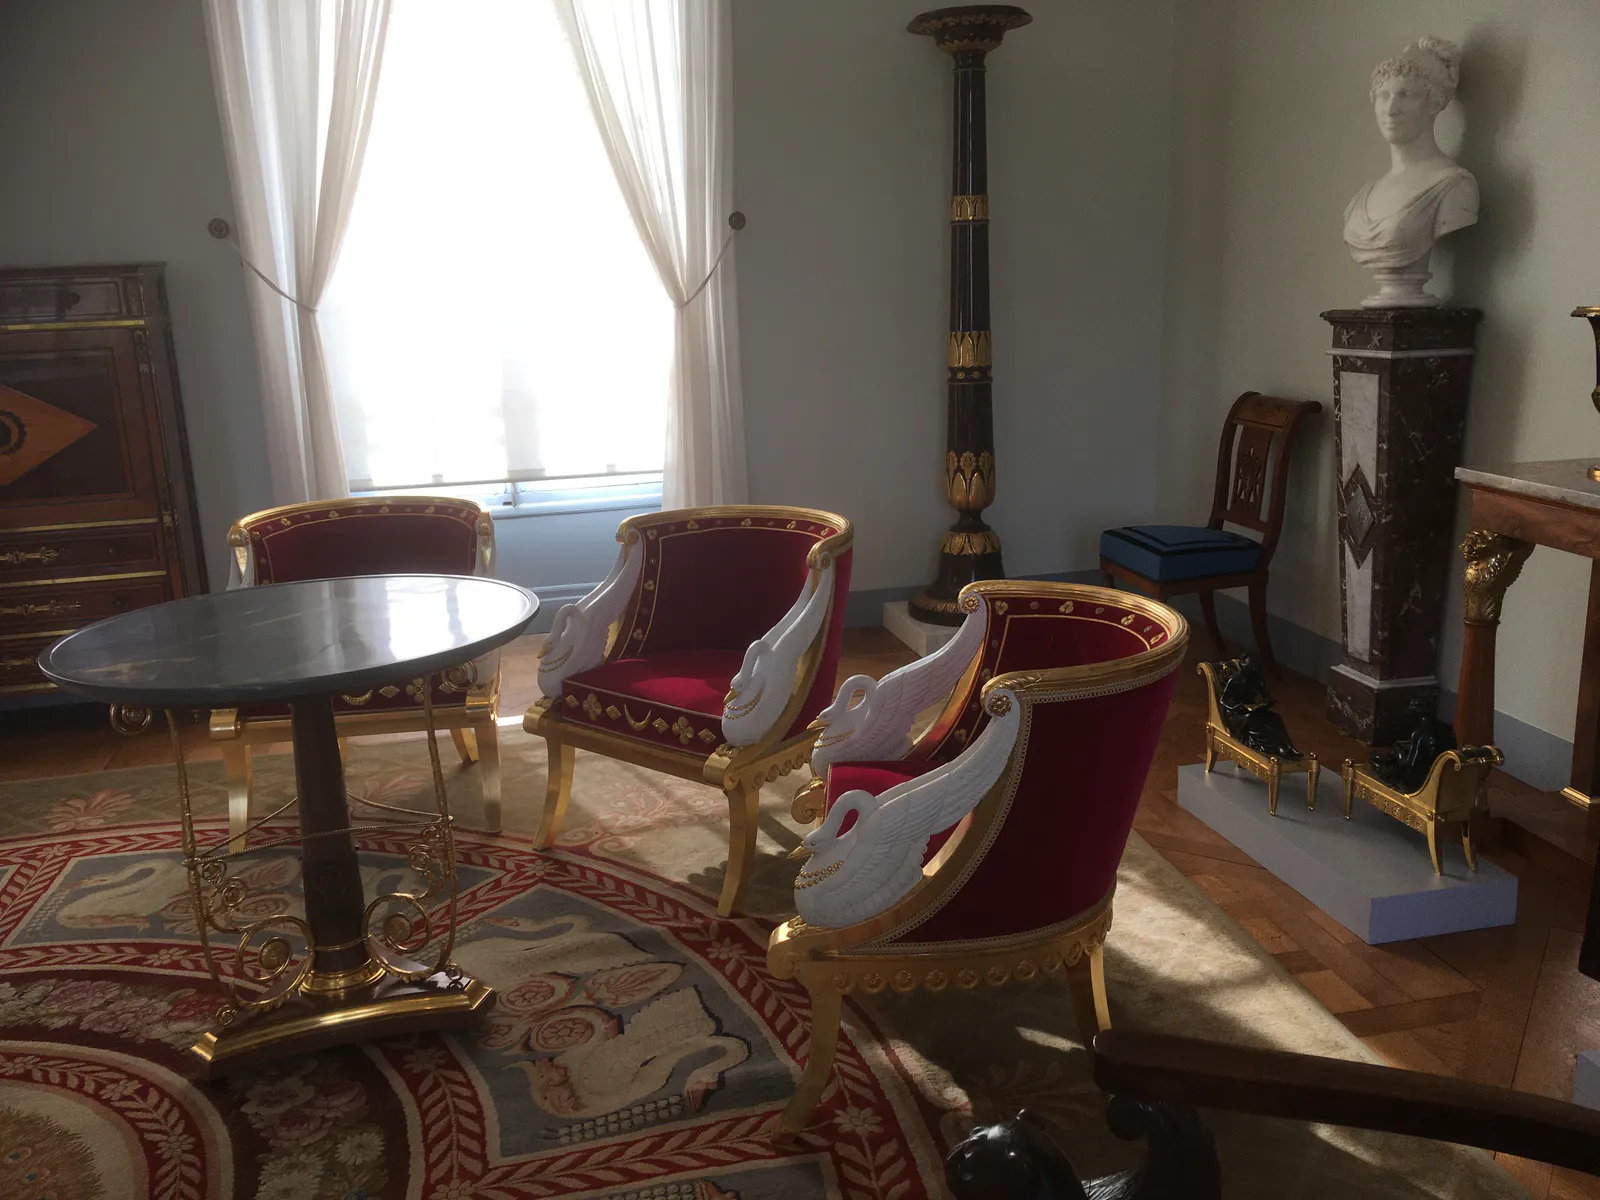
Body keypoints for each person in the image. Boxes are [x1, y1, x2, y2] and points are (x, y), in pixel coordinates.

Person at [1343, 36, 1479, 308]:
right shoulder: (1366, 195)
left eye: (1406, 94)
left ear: (1434, 103)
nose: (1391, 110)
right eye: (1384, 95)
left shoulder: (1453, 186)